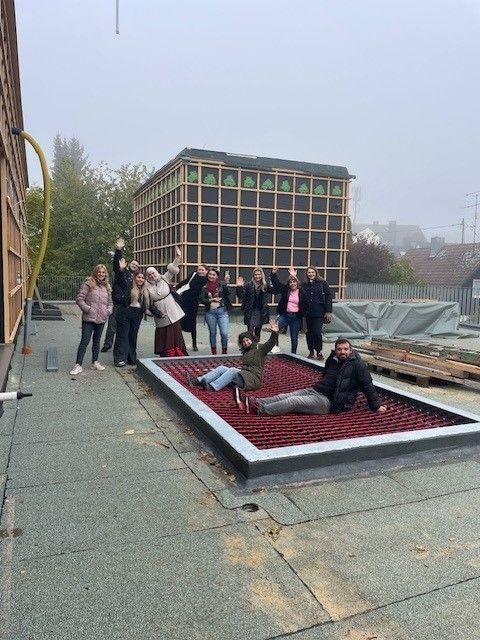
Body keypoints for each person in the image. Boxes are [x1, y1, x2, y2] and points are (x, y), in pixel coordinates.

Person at [237, 338, 387, 416]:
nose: (342, 352)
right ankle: (255, 401)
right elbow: (326, 375)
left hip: (329, 402)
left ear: (351, 350)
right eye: (339, 349)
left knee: (293, 401)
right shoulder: (333, 359)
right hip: (316, 390)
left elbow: (368, 385)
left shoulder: (357, 365)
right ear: (335, 350)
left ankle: (260, 409)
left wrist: (376, 406)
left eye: (345, 349)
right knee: (286, 395)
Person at [186, 319, 279, 393]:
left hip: (253, 380)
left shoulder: (260, 348)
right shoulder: (246, 351)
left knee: (233, 370)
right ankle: (198, 381)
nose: (246, 343)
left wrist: (275, 333)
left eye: (247, 340)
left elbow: (270, 343)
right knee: (222, 368)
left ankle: (212, 386)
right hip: (244, 376)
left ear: (252, 339)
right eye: (243, 342)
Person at [113, 261, 162, 367]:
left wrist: (160, 314)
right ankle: (119, 359)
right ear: (135, 278)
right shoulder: (129, 286)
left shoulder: (145, 291)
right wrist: (121, 270)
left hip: (136, 316)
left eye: (142, 278)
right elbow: (119, 280)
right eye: (138, 277)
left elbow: (150, 305)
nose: (140, 279)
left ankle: (131, 358)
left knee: (132, 336)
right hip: (125, 314)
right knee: (122, 336)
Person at [70, 264, 113, 376]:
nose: (101, 274)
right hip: (89, 318)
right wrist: (88, 309)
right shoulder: (88, 284)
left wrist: (108, 311)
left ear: (105, 274)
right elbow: (79, 299)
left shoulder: (107, 287)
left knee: (97, 342)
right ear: (95, 272)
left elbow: (110, 303)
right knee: (85, 341)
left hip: (101, 318)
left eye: (103, 272)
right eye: (99, 272)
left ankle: (95, 362)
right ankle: (78, 365)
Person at [145, 247, 188, 357]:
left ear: (156, 272)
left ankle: (179, 351)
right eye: (149, 274)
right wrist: (153, 313)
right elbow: (147, 302)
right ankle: (167, 353)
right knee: (164, 333)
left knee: (176, 331)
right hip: (160, 311)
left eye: (153, 273)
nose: (152, 275)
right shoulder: (146, 286)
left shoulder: (164, 278)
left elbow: (172, 269)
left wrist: (178, 257)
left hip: (172, 308)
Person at [101, 237, 140, 353]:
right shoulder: (122, 272)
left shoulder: (136, 278)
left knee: (124, 326)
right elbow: (116, 265)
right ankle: (108, 344)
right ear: (129, 264)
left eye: (136, 265)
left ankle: (124, 345)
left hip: (128, 304)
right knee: (112, 324)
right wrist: (118, 250)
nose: (134, 266)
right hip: (118, 302)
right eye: (133, 264)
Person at [299, 266, 333, 360]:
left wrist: (328, 311)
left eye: (312, 272)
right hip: (307, 313)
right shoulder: (304, 284)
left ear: (316, 273)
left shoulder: (322, 283)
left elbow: (328, 297)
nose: (311, 274)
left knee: (317, 332)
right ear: (306, 274)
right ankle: (311, 351)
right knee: (309, 333)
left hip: (319, 313)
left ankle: (319, 351)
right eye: (309, 272)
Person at [236, 267, 276, 340]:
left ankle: (256, 346)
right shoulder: (248, 285)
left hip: (260, 312)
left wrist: (273, 275)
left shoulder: (265, 285)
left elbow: (275, 291)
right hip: (250, 312)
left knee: (258, 332)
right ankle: (249, 346)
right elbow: (241, 296)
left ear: (262, 275)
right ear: (253, 276)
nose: (257, 276)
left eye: (259, 274)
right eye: (256, 274)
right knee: (250, 332)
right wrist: (239, 287)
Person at [199, 268, 232, 354]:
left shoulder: (222, 284)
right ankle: (214, 353)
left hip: (222, 312)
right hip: (210, 313)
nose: (211, 276)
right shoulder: (204, 286)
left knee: (224, 333)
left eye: (213, 275)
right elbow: (201, 300)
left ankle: (224, 352)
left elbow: (228, 294)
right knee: (213, 333)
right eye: (210, 274)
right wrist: (211, 300)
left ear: (217, 276)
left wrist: (227, 283)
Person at [270, 267, 303, 354]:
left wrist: (302, 314)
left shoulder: (301, 291)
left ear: (297, 283)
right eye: (290, 282)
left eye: (294, 282)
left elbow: (306, 304)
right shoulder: (286, 290)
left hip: (296, 317)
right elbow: (277, 284)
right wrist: (273, 274)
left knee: (294, 337)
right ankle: (275, 346)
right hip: (285, 315)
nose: (292, 284)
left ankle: (293, 354)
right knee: (275, 329)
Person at [177, 264, 208, 351]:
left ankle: (194, 344)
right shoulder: (193, 275)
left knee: (192, 323)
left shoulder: (207, 280)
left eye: (202, 270)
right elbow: (185, 281)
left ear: (206, 271)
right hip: (184, 300)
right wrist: (177, 287)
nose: (200, 271)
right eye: (199, 270)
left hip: (194, 303)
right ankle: (180, 343)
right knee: (181, 321)